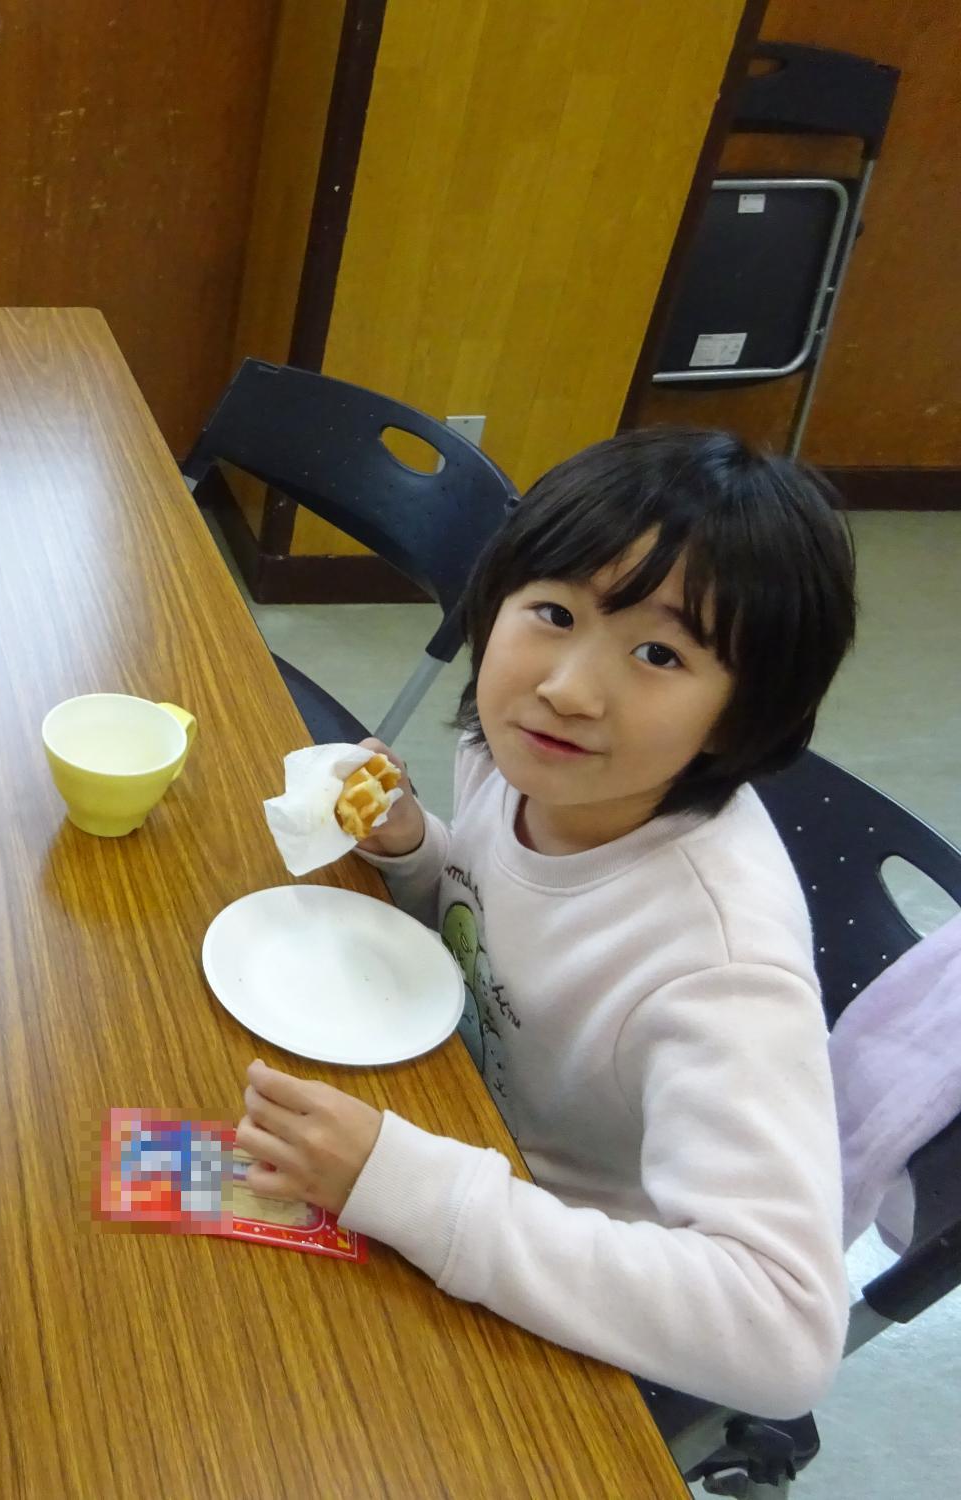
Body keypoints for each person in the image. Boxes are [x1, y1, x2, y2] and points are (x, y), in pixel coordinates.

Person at [235, 428, 858, 1418]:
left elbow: (780, 1335)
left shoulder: (719, 968)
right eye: (553, 612)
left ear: (747, 714)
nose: (567, 688)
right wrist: (413, 851)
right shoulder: (516, 755)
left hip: (554, 1278)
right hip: (443, 1115)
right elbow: (490, 926)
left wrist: (408, 1186)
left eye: (657, 652)